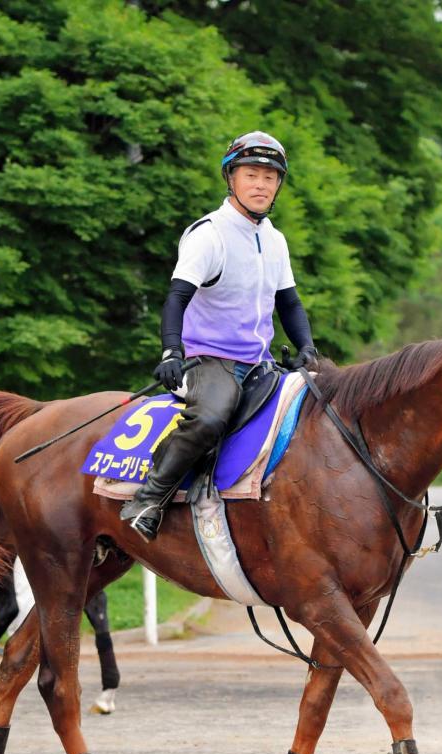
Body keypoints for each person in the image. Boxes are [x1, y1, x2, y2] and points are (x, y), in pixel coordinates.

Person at [120, 131, 317, 541]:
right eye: (251, 174)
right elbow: (176, 298)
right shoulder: (208, 234)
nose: (261, 184)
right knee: (211, 417)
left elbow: (290, 304)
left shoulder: (275, 240)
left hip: (260, 364)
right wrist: (171, 350)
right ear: (231, 178)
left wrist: (307, 348)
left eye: (270, 176)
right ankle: (149, 498)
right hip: (207, 361)